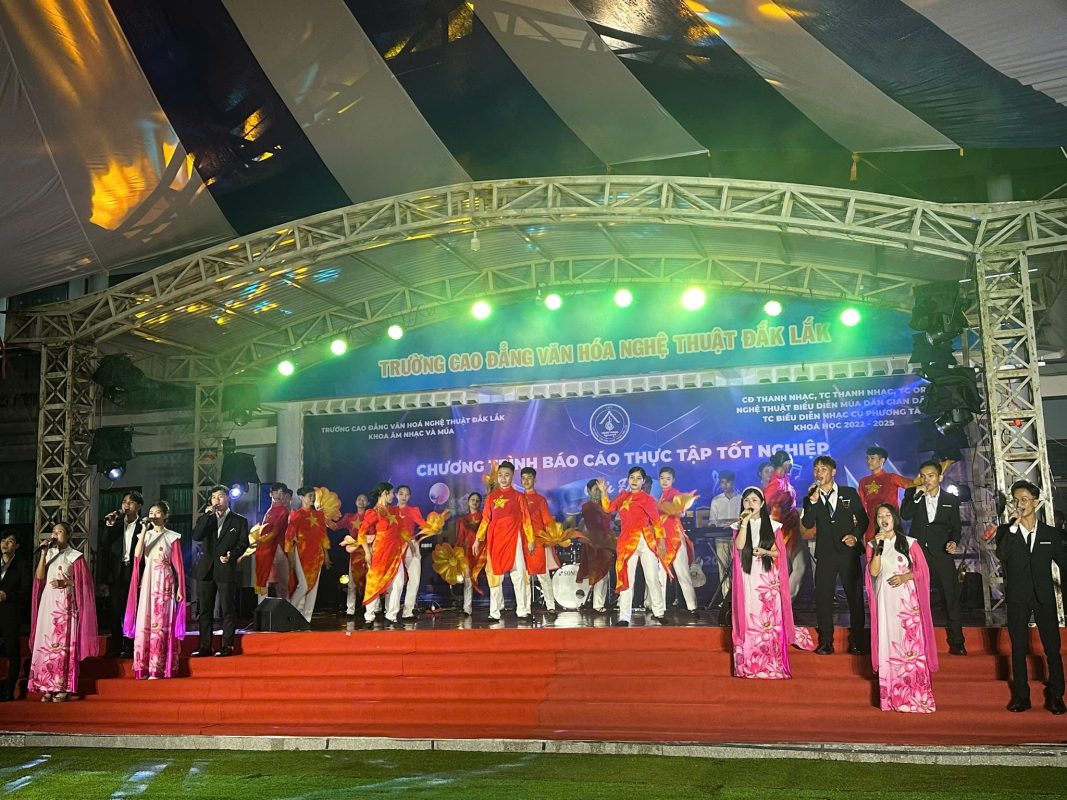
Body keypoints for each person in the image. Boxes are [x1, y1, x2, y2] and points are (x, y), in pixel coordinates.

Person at [995, 480, 1067, 714]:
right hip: (1018, 597)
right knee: (1018, 648)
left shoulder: (1050, 533)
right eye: (1016, 500)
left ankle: (1056, 696)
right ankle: (1021, 696)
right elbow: (1002, 555)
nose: (1020, 504)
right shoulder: (1006, 531)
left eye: (1024, 499)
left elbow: (1064, 564)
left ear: (1036, 502)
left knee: (1052, 648)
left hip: (1044, 597)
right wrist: (1013, 526)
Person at [731, 487, 813, 678]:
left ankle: (772, 664)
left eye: (754, 500)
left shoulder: (774, 526)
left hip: (767, 578)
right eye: (747, 501)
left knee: (768, 618)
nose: (750, 504)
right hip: (747, 574)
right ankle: (749, 665)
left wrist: (765, 552)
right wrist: (744, 523)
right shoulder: (738, 526)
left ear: (761, 504)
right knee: (749, 614)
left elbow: (779, 553)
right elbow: (739, 546)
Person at [866, 503, 938, 713]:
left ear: (894, 518)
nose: (883, 519)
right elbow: (873, 572)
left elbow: (923, 571)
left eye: (887, 515)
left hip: (907, 604)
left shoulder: (909, 543)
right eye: (880, 516)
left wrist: (906, 576)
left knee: (909, 646)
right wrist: (878, 548)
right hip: (885, 602)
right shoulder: (872, 544)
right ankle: (892, 697)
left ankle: (917, 697)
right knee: (889, 643)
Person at [801, 455, 869, 655]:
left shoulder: (849, 493)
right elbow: (807, 523)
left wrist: (855, 536)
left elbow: (863, 520)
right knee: (823, 599)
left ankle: (857, 641)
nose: (818, 473)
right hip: (825, 555)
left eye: (823, 469)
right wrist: (812, 502)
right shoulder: (811, 497)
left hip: (848, 553)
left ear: (833, 472)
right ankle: (826, 642)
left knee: (855, 598)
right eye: (816, 469)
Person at [900, 460, 966, 656]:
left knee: (950, 597)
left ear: (940, 477)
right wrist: (917, 496)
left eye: (930, 476)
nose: (926, 479)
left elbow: (956, 527)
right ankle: (914, 642)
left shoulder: (950, 499)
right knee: (915, 597)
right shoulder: (912, 494)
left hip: (942, 553)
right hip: (918, 553)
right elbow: (905, 515)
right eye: (923, 476)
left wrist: (953, 541)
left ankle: (957, 641)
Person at [28, 522, 98, 701]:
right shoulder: (49, 554)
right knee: (46, 639)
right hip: (48, 601)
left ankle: (63, 686)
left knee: (62, 643)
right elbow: (39, 577)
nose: (55, 534)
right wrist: (43, 554)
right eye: (53, 531)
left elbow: (85, 583)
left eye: (59, 531)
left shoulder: (75, 556)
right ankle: (46, 685)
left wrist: (65, 582)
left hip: (65, 604)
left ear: (67, 536)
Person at [123, 501, 186, 680]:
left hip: (164, 581)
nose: (153, 515)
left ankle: (158, 667)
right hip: (148, 580)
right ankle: (144, 666)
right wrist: (144, 530)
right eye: (151, 512)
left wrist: (180, 587)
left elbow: (178, 565)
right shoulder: (145, 534)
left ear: (165, 516)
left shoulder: (172, 537)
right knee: (146, 619)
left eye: (158, 512)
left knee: (161, 621)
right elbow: (137, 555)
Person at [597, 467, 667, 627]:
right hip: (627, 542)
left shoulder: (648, 499)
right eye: (632, 477)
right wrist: (603, 492)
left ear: (643, 481)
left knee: (652, 577)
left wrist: (661, 542)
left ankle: (659, 612)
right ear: (628, 479)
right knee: (626, 578)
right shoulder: (623, 497)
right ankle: (624, 616)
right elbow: (608, 508)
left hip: (645, 540)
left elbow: (656, 522)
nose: (634, 481)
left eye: (638, 478)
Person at [191, 485, 249, 657]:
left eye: (220, 496)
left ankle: (227, 645)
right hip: (206, 570)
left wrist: (233, 554)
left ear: (228, 498)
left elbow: (243, 543)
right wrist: (206, 516)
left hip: (225, 568)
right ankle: (205, 646)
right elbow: (196, 536)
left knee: (227, 608)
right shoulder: (206, 518)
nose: (217, 500)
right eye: (214, 497)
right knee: (205, 609)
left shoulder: (239, 520)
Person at [474, 461, 535, 621]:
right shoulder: (491, 498)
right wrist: (478, 539)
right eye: (500, 475)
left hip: (514, 539)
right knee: (495, 575)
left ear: (512, 476)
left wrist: (530, 539)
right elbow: (485, 520)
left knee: (519, 575)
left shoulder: (519, 496)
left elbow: (526, 519)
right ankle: (494, 612)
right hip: (496, 540)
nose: (503, 478)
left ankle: (522, 611)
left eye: (506, 475)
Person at [101, 491, 144, 658]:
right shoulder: (116, 524)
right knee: (115, 611)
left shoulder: (143, 525)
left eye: (131, 502)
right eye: (124, 501)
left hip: (134, 570)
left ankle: (131, 646)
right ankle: (116, 647)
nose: (126, 505)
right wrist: (109, 525)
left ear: (139, 506)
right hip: (117, 571)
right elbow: (105, 544)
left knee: (132, 610)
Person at [359, 482, 406, 627]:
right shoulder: (374, 512)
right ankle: (369, 616)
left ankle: (391, 615)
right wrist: (367, 552)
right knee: (374, 582)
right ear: (385, 493)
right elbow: (361, 533)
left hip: (395, 551)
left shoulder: (394, 511)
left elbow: (400, 531)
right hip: (380, 552)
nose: (393, 496)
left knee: (398, 582)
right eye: (391, 493)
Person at [284, 487, 332, 623]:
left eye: (313, 496)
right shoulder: (296, 515)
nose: (312, 498)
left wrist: (326, 554)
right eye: (309, 495)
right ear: (302, 497)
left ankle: (306, 619)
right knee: (303, 586)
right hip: (301, 552)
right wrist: (289, 555)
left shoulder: (319, 515)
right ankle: (288, 615)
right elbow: (289, 536)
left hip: (317, 554)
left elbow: (323, 536)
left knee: (313, 588)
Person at [657, 467, 699, 616]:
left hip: (675, 537)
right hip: (662, 538)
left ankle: (692, 606)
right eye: (662, 478)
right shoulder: (661, 496)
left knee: (682, 572)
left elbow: (681, 507)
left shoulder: (674, 493)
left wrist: (680, 507)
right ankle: (659, 608)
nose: (664, 481)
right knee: (661, 573)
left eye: (668, 478)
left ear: (673, 480)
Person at [765, 451, 804, 599]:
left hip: (792, 529)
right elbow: (768, 508)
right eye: (791, 461)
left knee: (799, 567)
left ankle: (785, 603)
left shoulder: (785, 480)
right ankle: (782, 603)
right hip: (783, 532)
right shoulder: (776, 484)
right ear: (786, 463)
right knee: (786, 569)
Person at [520, 467, 559, 616]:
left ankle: (551, 606)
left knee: (543, 575)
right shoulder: (517, 498)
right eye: (523, 478)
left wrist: (551, 537)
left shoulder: (540, 500)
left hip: (538, 542)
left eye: (529, 477)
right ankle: (525, 609)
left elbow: (547, 520)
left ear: (534, 480)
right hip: (522, 542)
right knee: (524, 577)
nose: (526, 481)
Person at [857, 447, 912, 543]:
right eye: (867, 458)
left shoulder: (892, 478)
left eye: (872, 458)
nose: (869, 461)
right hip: (871, 525)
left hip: (891, 523)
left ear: (882, 460)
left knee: (893, 550)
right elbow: (860, 505)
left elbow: (912, 484)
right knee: (872, 550)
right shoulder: (863, 481)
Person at [0, 530, 30, 701]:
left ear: (17, 546)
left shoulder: (22, 565)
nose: (5, 544)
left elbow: (25, 591)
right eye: (3, 540)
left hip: (11, 613)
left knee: (12, 651)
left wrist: (8, 595)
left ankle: (9, 690)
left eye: (10, 541)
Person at [578, 480, 615, 613]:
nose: (598, 493)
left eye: (600, 490)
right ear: (588, 491)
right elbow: (595, 524)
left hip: (605, 542)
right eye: (595, 490)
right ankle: (596, 604)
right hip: (594, 542)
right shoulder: (587, 506)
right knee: (597, 573)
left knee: (604, 574)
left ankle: (599, 603)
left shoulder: (606, 505)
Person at [332, 493, 370, 616]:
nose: (361, 501)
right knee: (352, 581)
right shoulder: (349, 517)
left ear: (368, 503)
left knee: (370, 580)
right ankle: (350, 609)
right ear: (355, 502)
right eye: (359, 499)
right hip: (354, 553)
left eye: (364, 500)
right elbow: (335, 527)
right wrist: (325, 517)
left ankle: (373, 608)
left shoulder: (371, 517)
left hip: (368, 551)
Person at [252, 483, 291, 602]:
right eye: (276, 492)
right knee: (265, 578)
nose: (279, 495)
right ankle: (262, 608)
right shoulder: (269, 510)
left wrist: (261, 540)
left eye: (281, 493)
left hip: (277, 547)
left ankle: (284, 608)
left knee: (281, 582)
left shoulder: (283, 511)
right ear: (271, 494)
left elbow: (276, 530)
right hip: (267, 548)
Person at [395, 486, 427, 620]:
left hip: (411, 546)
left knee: (414, 579)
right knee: (395, 581)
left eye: (406, 494)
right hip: (395, 546)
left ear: (409, 497)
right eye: (401, 493)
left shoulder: (413, 510)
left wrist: (434, 527)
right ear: (396, 495)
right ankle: (390, 611)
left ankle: (408, 612)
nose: (404, 496)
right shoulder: (390, 511)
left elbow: (423, 525)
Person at [454, 492, 486, 616]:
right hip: (467, 552)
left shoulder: (484, 517)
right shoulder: (462, 520)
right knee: (467, 579)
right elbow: (460, 538)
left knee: (491, 577)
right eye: (472, 499)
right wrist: (457, 553)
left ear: (480, 503)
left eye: (477, 500)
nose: (475, 502)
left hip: (483, 551)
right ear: (468, 502)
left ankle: (497, 608)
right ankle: (467, 608)